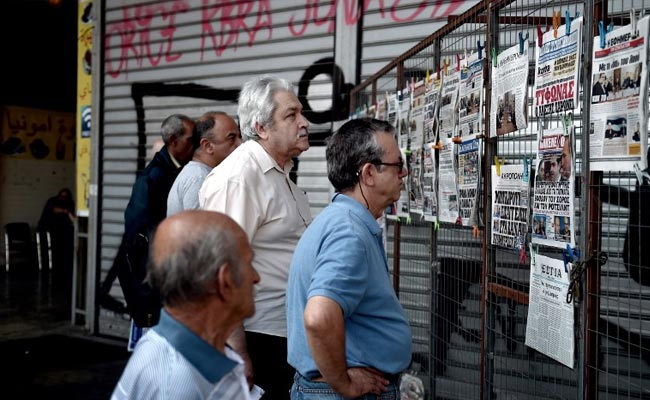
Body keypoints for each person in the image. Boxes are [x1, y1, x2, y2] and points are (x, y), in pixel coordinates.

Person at [199, 75, 312, 399]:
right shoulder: (240, 178)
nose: (304, 123)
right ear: (261, 127)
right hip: (257, 338)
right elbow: (221, 268)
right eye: (291, 115)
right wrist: (238, 353)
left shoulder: (280, 174)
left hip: (283, 334)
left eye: (300, 113)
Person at [286, 118, 412, 399]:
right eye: (398, 165)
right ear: (368, 173)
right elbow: (319, 317)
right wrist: (344, 384)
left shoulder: (341, 220)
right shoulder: (349, 232)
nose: (404, 173)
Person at [111, 210, 261, 400]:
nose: (256, 277)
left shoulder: (184, 358)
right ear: (225, 281)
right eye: (249, 263)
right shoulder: (177, 384)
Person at [100, 114, 196, 326]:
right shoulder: (152, 179)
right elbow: (138, 238)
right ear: (173, 141)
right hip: (157, 284)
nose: (197, 143)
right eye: (191, 138)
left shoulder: (179, 170)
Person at [167, 112, 241, 216]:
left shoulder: (199, 174)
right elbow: (200, 230)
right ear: (208, 146)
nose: (240, 143)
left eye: (239, 136)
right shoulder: (199, 178)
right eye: (232, 138)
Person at [37, 188, 75, 271]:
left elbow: (73, 218)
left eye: (65, 197)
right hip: (47, 227)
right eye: (62, 196)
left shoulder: (69, 203)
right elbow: (53, 209)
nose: (63, 198)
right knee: (48, 249)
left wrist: (69, 214)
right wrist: (65, 211)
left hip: (61, 229)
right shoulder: (53, 201)